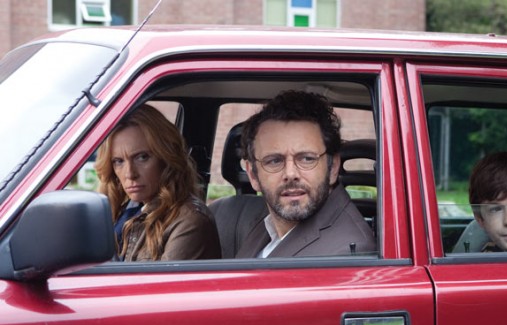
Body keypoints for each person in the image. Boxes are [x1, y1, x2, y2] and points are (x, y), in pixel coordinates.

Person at [235, 90, 376, 258]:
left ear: (333, 167)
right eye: (274, 161)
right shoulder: (269, 224)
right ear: (253, 175)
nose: (290, 173)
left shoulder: (344, 256)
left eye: (307, 159)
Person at [95, 104, 221, 261]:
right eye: (118, 161)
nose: (130, 174)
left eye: (142, 157)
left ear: (166, 157)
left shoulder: (190, 221)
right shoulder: (125, 212)